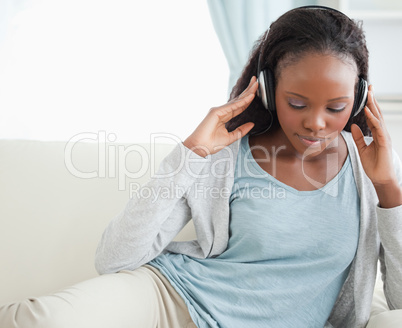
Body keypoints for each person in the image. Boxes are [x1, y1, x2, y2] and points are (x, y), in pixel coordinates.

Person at [1, 5, 401, 328]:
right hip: (172, 299)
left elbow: (399, 303)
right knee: (34, 320)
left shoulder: (368, 169)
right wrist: (190, 153)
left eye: (335, 108)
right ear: (267, 88)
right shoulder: (228, 154)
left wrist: (387, 188)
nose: (316, 123)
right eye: (297, 103)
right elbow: (114, 259)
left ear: (360, 96)